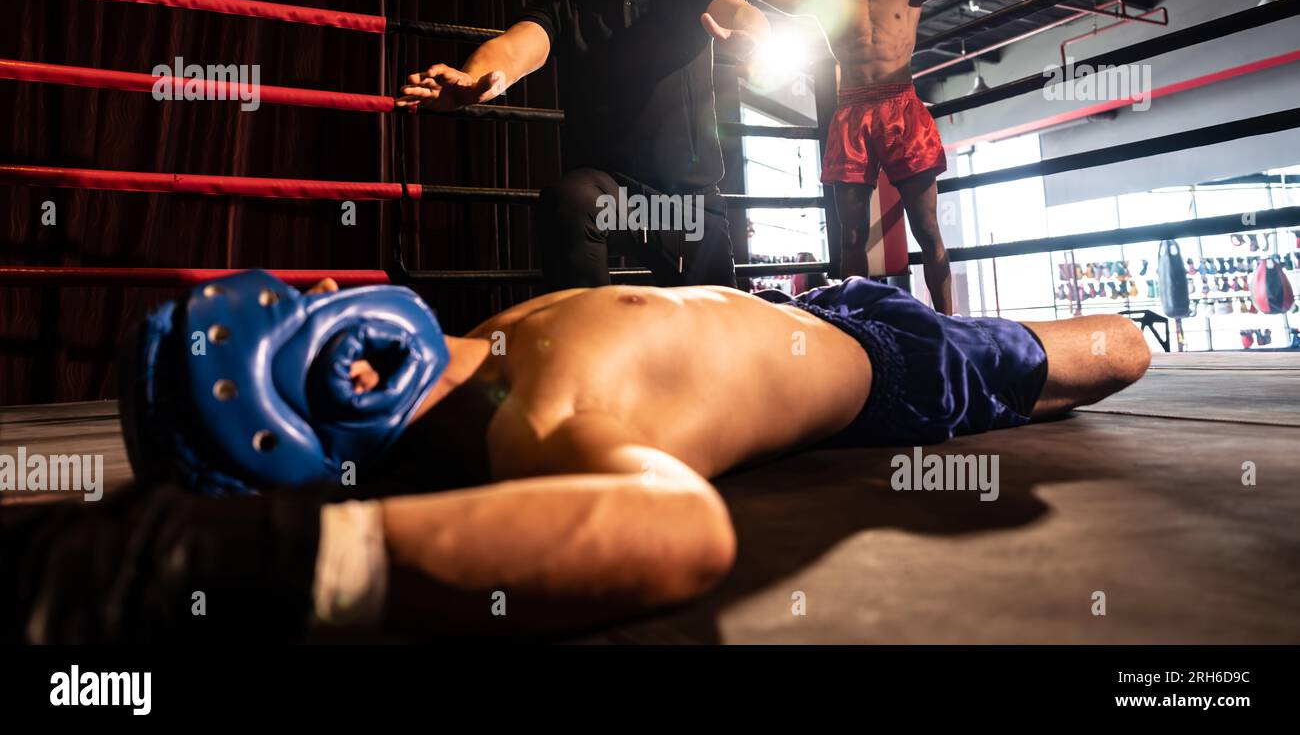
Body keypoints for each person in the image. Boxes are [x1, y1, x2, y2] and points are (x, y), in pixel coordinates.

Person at [4, 267, 1150, 642]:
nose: (320, 290)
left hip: (811, 298)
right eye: (302, 322)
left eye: (299, 288)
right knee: (1115, 349)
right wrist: (259, 563)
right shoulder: (535, 424)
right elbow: (680, 528)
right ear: (345, 391)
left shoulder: (486, 336)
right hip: (897, 377)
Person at [397, 0, 771, 291]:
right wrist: (476, 78)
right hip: (608, 196)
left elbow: (736, 11)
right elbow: (516, 47)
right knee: (569, 199)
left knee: (719, 347)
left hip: (687, 205)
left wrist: (756, 35)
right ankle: (587, 343)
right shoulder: (562, 1)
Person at [747, 0, 993, 314]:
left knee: (927, 227)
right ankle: (860, 326)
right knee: (853, 233)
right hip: (852, 112)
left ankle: (949, 323)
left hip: (902, 108)